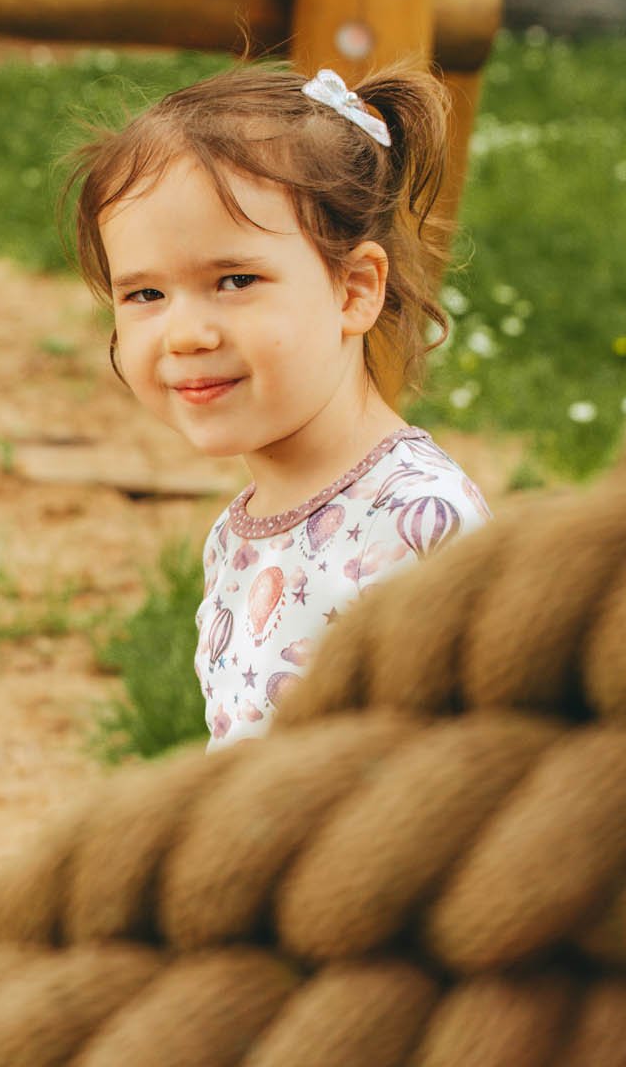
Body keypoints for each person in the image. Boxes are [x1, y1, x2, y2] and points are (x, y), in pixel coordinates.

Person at [66, 62, 492, 751]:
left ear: (355, 289)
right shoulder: (238, 532)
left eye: (235, 280)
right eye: (145, 295)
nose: (186, 334)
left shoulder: (418, 523)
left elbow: (461, 774)